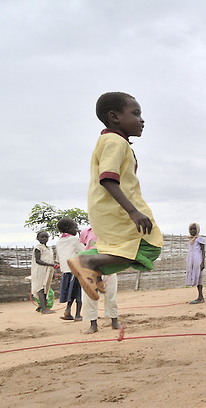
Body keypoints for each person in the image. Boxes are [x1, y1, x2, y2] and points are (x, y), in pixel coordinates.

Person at [68, 92, 163, 301]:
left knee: (120, 248)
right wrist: (133, 212)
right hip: (117, 209)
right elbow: (108, 178)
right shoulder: (114, 142)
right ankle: (88, 263)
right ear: (115, 117)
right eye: (136, 113)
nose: (142, 119)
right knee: (150, 245)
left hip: (108, 208)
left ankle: (92, 267)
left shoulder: (113, 141)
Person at [79, 227, 120, 334]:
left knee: (111, 293)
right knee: (89, 296)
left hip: (108, 263)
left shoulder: (111, 229)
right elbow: (86, 245)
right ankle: (93, 325)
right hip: (90, 266)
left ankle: (114, 321)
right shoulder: (86, 231)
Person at [55, 217, 83, 321]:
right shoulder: (75, 239)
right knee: (79, 293)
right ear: (68, 228)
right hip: (76, 270)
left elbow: (58, 257)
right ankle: (78, 314)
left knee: (71, 292)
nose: (76, 230)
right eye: (75, 228)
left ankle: (67, 310)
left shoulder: (59, 242)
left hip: (66, 271)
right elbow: (83, 251)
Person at [31, 231, 56, 314]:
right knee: (41, 288)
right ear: (37, 238)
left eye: (46, 237)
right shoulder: (38, 248)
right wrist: (50, 265)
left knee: (46, 289)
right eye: (42, 237)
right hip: (40, 270)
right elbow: (38, 260)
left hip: (47, 270)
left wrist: (53, 270)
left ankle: (44, 307)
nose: (44, 238)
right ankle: (44, 308)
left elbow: (50, 259)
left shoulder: (49, 249)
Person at [186, 223, 205, 304]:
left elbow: (203, 251)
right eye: (191, 229)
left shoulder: (199, 239)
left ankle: (200, 297)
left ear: (197, 230)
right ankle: (200, 296)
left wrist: (203, 263)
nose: (192, 231)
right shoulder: (190, 240)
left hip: (198, 259)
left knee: (199, 277)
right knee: (195, 277)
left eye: (194, 229)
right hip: (191, 260)